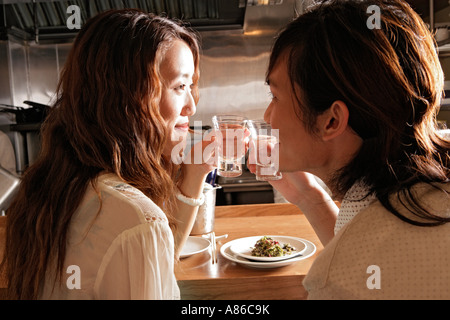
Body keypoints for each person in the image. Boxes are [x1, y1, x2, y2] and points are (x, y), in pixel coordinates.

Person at [0, 9, 215, 300]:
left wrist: (194, 172)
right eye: (179, 86)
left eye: (190, 87)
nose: (191, 106)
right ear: (131, 98)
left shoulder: (48, 190)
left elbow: (152, 264)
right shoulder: (138, 220)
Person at [260, 0, 450, 299]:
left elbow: (362, 264)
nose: (267, 116)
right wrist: (310, 198)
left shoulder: (336, 283)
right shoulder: (429, 183)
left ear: (332, 120)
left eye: (274, 95)